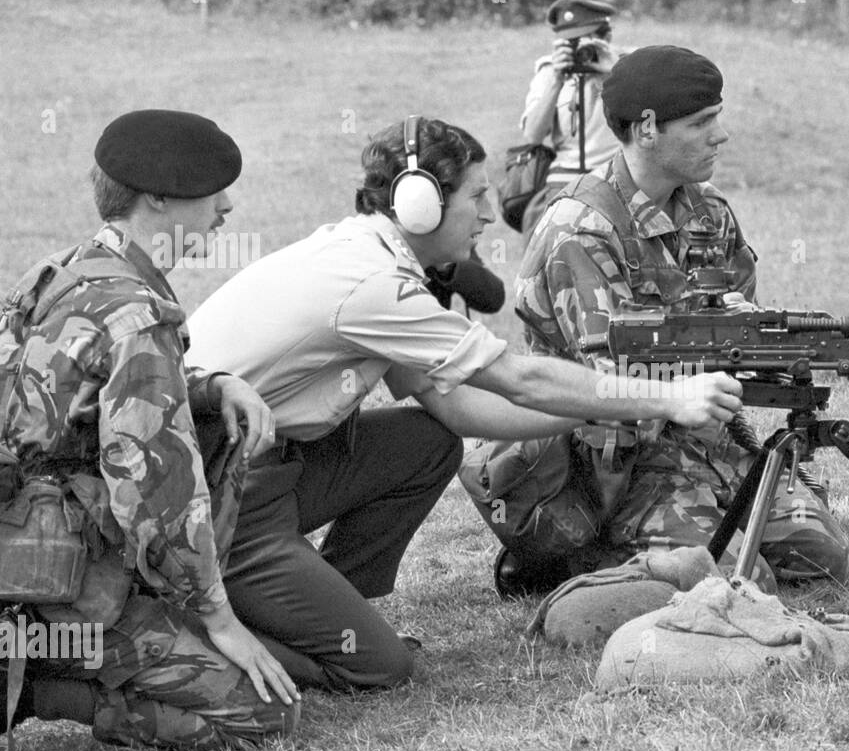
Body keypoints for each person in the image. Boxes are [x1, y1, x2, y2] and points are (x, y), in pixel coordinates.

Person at [184, 115, 743, 693]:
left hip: (251, 473)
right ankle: (198, 636)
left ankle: (322, 601)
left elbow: (456, 410)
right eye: (476, 196)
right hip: (217, 504)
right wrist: (665, 397)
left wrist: (617, 406)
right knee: (380, 667)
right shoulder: (370, 284)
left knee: (423, 442)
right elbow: (517, 378)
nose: (487, 213)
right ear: (419, 202)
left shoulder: (368, 258)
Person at [499, 45, 849, 596]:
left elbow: (739, 334)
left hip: (708, 442)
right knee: (742, 579)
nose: (721, 134)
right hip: (612, 466)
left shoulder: (708, 212)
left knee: (829, 562)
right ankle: (579, 555)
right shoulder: (582, 230)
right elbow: (605, 385)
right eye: (701, 122)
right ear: (646, 129)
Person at [0, 110, 299, 751]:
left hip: (25, 544)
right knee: (261, 712)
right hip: (44, 578)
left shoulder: (68, 270)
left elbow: (77, 386)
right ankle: (31, 686)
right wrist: (218, 618)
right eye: (208, 187)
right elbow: (155, 494)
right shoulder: (136, 314)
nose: (225, 206)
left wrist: (210, 385)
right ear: (157, 197)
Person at [515, 0, 623, 240]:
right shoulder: (548, 71)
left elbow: (645, 120)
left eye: (584, 41)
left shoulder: (625, 65)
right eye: (570, 43)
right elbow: (533, 135)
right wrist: (556, 80)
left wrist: (612, 75)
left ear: (606, 37)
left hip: (613, 176)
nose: (578, 51)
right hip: (563, 180)